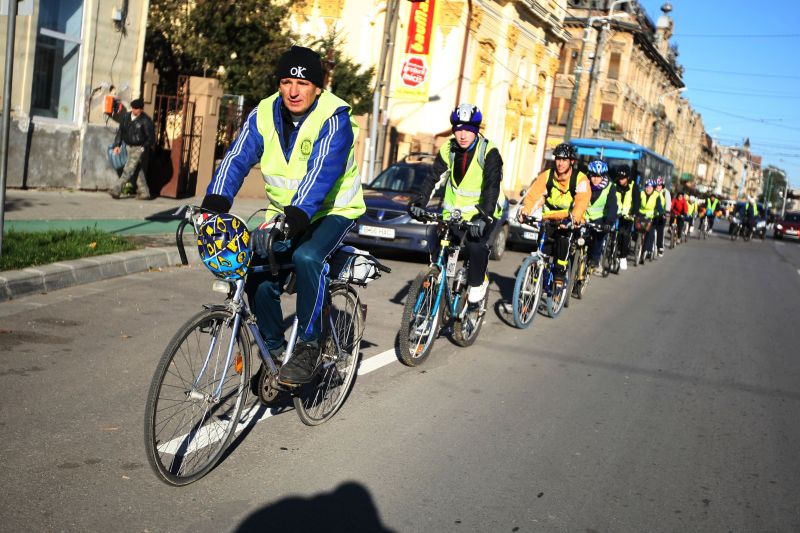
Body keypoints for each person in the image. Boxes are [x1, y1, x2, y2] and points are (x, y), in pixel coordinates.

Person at [200, 46, 365, 385]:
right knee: (254, 263)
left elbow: (321, 173)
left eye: (302, 84)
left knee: (307, 257)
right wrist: (213, 205)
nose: (293, 91)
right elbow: (236, 158)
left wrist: (294, 218)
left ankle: (309, 346)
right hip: (284, 214)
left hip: (332, 211)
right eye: (286, 81)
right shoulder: (263, 113)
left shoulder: (334, 117)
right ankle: (274, 353)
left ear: (317, 87)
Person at [409, 103, 503, 305]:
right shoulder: (448, 148)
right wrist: (419, 202)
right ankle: (435, 287)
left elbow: (491, 188)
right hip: (452, 213)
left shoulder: (489, 152)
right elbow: (433, 178)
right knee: (438, 249)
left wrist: (484, 217)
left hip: (483, 212)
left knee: (476, 247)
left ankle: (478, 282)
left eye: (468, 130)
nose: (462, 135)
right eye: (458, 129)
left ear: (476, 130)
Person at [518, 142, 590, 285]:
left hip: (568, 220)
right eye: (558, 159)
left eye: (564, 160)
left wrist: (573, 219)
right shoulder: (546, 176)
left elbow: (582, 201)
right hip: (549, 218)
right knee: (542, 251)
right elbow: (533, 195)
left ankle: (560, 272)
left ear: (572, 162)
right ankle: (533, 288)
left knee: (563, 241)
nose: (560, 163)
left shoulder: (580, 179)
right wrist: (525, 211)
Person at [110, 98, 155, 200]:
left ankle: (117, 189)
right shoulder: (126, 117)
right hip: (129, 146)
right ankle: (144, 192)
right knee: (137, 168)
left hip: (139, 147)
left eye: (137, 109)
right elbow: (120, 131)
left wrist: (144, 147)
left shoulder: (146, 120)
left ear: (141, 109)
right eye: (133, 108)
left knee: (129, 168)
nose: (135, 110)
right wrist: (117, 145)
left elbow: (151, 137)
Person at [584, 160, 618, 274]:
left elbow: (613, 206)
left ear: (603, 176)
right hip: (584, 216)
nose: (595, 179)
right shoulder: (584, 183)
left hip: (600, 218)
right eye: (593, 175)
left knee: (598, 237)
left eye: (599, 176)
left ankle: (595, 260)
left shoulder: (610, 187)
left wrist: (608, 222)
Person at [613, 165, 636, 270]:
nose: (620, 180)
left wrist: (634, 212)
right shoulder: (614, 185)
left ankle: (622, 257)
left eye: (623, 178)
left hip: (627, 216)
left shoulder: (633, 187)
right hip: (615, 214)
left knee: (625, 234)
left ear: (628, 178)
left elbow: (637, 201)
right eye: (619, 177)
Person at [636, 179, 664, 263]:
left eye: (650, 187)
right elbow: (637, 203)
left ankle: (645, 250)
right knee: (636, 229)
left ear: (653, 188)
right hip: (640, 214)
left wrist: (661, 213)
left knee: (650, 232)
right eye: (647, 187)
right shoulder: (641, 193)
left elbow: (658, 205)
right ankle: (636, 243)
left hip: (651, 216)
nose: (648, 189)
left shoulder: (656, 195)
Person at [654, 177, 671, 256]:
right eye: (657, 185)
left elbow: (668, 204)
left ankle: (660, 247)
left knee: (660, 230)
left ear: (662, 186)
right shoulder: (652, 191)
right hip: (652, 214)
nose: (658, 186)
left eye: (659, 185)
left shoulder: (665, 192)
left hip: (662, 215)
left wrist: (666, 212)